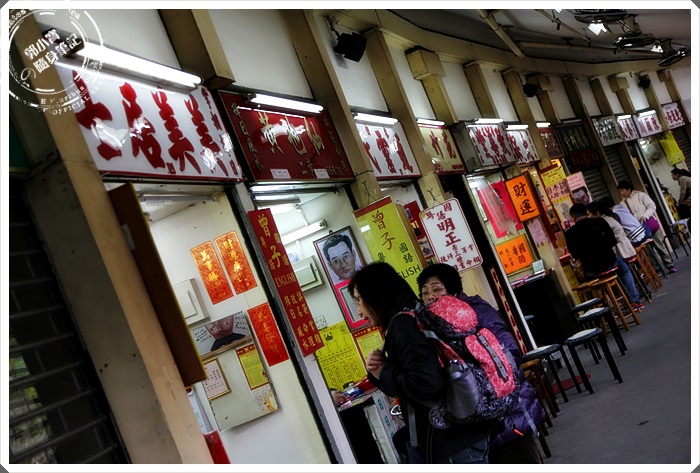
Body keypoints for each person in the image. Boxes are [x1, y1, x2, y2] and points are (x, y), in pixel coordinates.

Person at [349, 262, 492, 464]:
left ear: (376, 294)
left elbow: (427, 384)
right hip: (465, 431)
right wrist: (380, 373)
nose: (358, 310)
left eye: (358, 300)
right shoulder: (417, 312)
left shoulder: (402, 326)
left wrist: (384, 371)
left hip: (450, 441)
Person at [416, 263, 546, 464]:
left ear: (454, 291)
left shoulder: (478, 311)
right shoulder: (430, 326)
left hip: (509, 415)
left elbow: (510, 352)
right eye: (425, 293)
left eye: (437, 289)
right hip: (477, 426)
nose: (431, 297)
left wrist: (484, 384)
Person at [565, 203, 643, 310]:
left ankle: (607, 309)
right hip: (610, 261)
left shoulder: (570, 233)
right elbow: (612, 241)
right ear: (586, 212)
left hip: (591, 270)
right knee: (624, 270)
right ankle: (634, 301)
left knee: (593, 282)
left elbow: (575, 254)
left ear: (573, 217)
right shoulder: (600, 221)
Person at [616, 180, 676, 273]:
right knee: (647, 250)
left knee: (659, 245)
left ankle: (669, 264)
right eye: (620, 191)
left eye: (622, 190)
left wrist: (645, 216)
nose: (621, 193)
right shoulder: (622, 204)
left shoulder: (641, 195)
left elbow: (651, 206)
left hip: (649, 224)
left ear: (629, 189)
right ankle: (656, 268)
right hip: (637, 230)